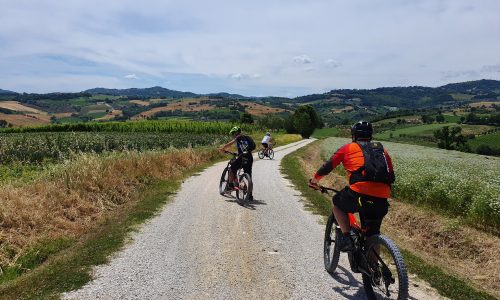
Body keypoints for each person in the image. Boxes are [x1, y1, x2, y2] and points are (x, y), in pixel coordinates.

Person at [308, 121, 395, 251]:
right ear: (370, 135)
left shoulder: (348, 148)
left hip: (359, 194)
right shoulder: (381, 149)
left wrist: (314, 181)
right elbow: (391, 174)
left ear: (354, 135)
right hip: (382, 197)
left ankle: (347, 238)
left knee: (337, 205)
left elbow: (327, 167)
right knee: (373, 234)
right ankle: (374, 269)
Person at [220, 126, 256, 200]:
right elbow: (245, 149)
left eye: (233, 133)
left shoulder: (239, 137)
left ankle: (230, 186)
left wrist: (223, 148)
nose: (233, 135)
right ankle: (250, 195)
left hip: (242, 158)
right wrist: (237, 153)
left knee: (231, 169)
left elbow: (231, 143)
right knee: (249, 175)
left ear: (236, 132)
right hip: (249, 157)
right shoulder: (247, 137)